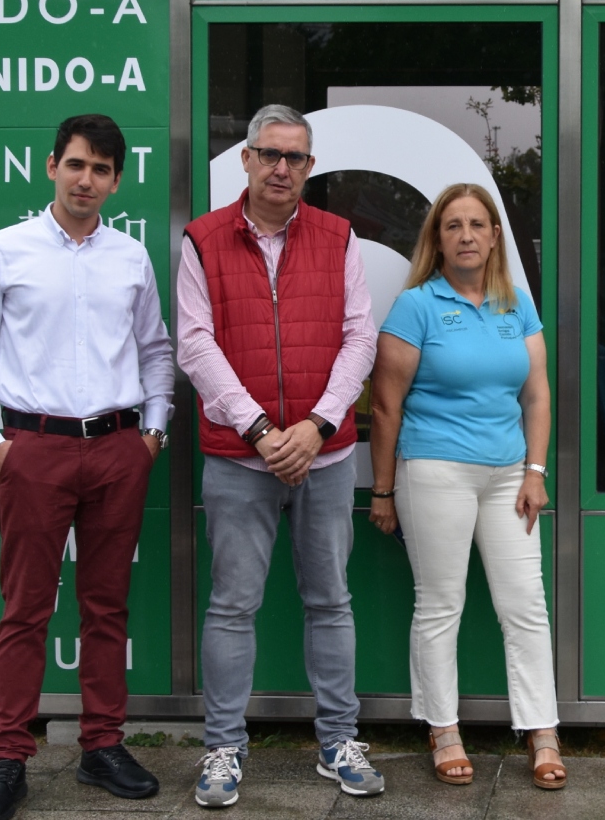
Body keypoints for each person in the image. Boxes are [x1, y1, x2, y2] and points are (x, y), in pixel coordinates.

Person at [0, 114, 173, 820]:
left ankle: (102, 745)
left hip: (116, 448)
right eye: (76, 164)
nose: (86, 180)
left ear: (117, 181)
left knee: (106, 606)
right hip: (32, 448)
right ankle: (8, 757)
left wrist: (152, 433)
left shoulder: (131, 257)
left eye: (101, 169)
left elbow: (156, 350)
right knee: (25, 609)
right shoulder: (4, 250)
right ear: (52, 166)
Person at [177, 105, 383, 805]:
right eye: (269, 153)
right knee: (232, 605)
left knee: (331, 600)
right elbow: (194, 344)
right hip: (240, 459)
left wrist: (318, 425)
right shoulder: (203, 239)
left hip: (323, 457)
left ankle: (338, 741)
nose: (281, 168)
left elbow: (360, 337)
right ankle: (223, 748)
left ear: (310, 166)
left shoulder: (338, 235)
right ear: (246, 158)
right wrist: (262, 429)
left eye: (295, 157)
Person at [367, 184, 565, 791]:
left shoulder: (516, 305)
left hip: (509, 475)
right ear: (437, 239)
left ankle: (542, 731)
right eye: (453, 225)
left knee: (525, 605)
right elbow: (385, 404)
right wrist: (382, 491)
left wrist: (536, 471)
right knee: (440, 604)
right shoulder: (416, 306)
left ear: (495, 236)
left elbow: (537, 394)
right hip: (436, 471)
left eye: (478, 224)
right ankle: (443, 729)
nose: (466, 236)